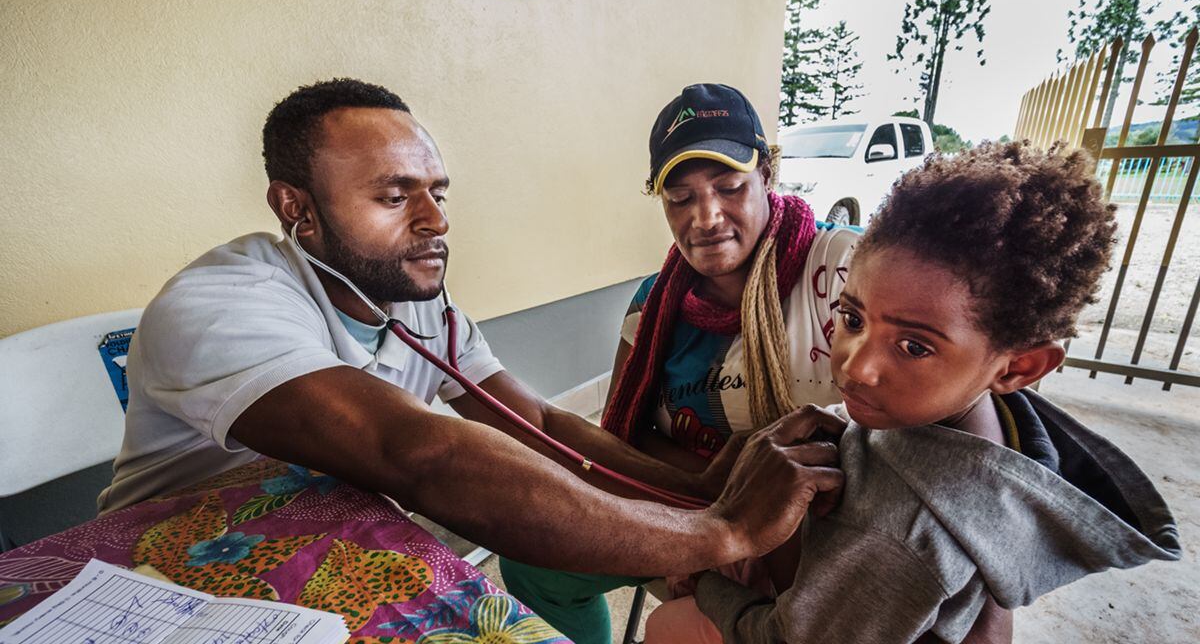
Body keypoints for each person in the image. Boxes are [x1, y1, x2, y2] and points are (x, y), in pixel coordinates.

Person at [97, 78, 847, 582]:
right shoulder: (221, 304)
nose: (436, 222)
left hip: (336, 552)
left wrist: (695, 491)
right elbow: (419, 452)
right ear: (296, 210)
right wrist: (721, 535)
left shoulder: (413, 298)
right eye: (395, 195)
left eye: (437, 192)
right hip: (174, 574)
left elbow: (539, 422)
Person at [500, 84, 1026, 644]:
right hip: (696, 512)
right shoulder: (652, 307)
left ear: (767, 177)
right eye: (680, 198)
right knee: (535, 559)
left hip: (830, 537)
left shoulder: (847, 270)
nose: (705, 217)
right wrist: (705, 519)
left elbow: (967, 433)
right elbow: (630, 439)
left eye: (729, 187)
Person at [643, 141, 1182, 643]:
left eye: (914, 347)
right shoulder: (974, 414)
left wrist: (707, 580)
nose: (857, 366)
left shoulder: (898, 534)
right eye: (852, 318)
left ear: (1020, 366)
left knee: (668, 623)